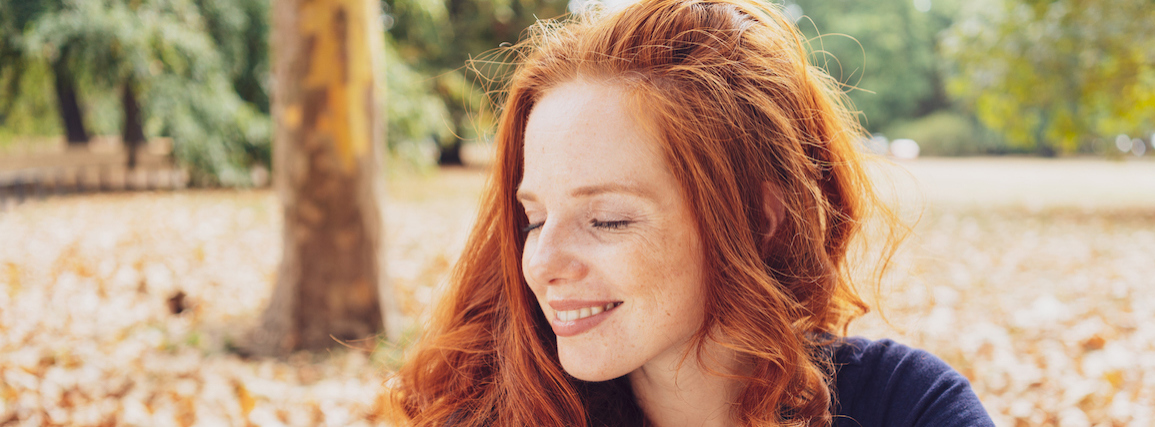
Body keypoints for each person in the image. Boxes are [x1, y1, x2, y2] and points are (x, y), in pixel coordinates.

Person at [387, 0, 995, 426]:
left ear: (759, 218)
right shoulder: (490, 412)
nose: (542, 264)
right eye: (534, 218)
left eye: (608, 220)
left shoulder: (905, 406)